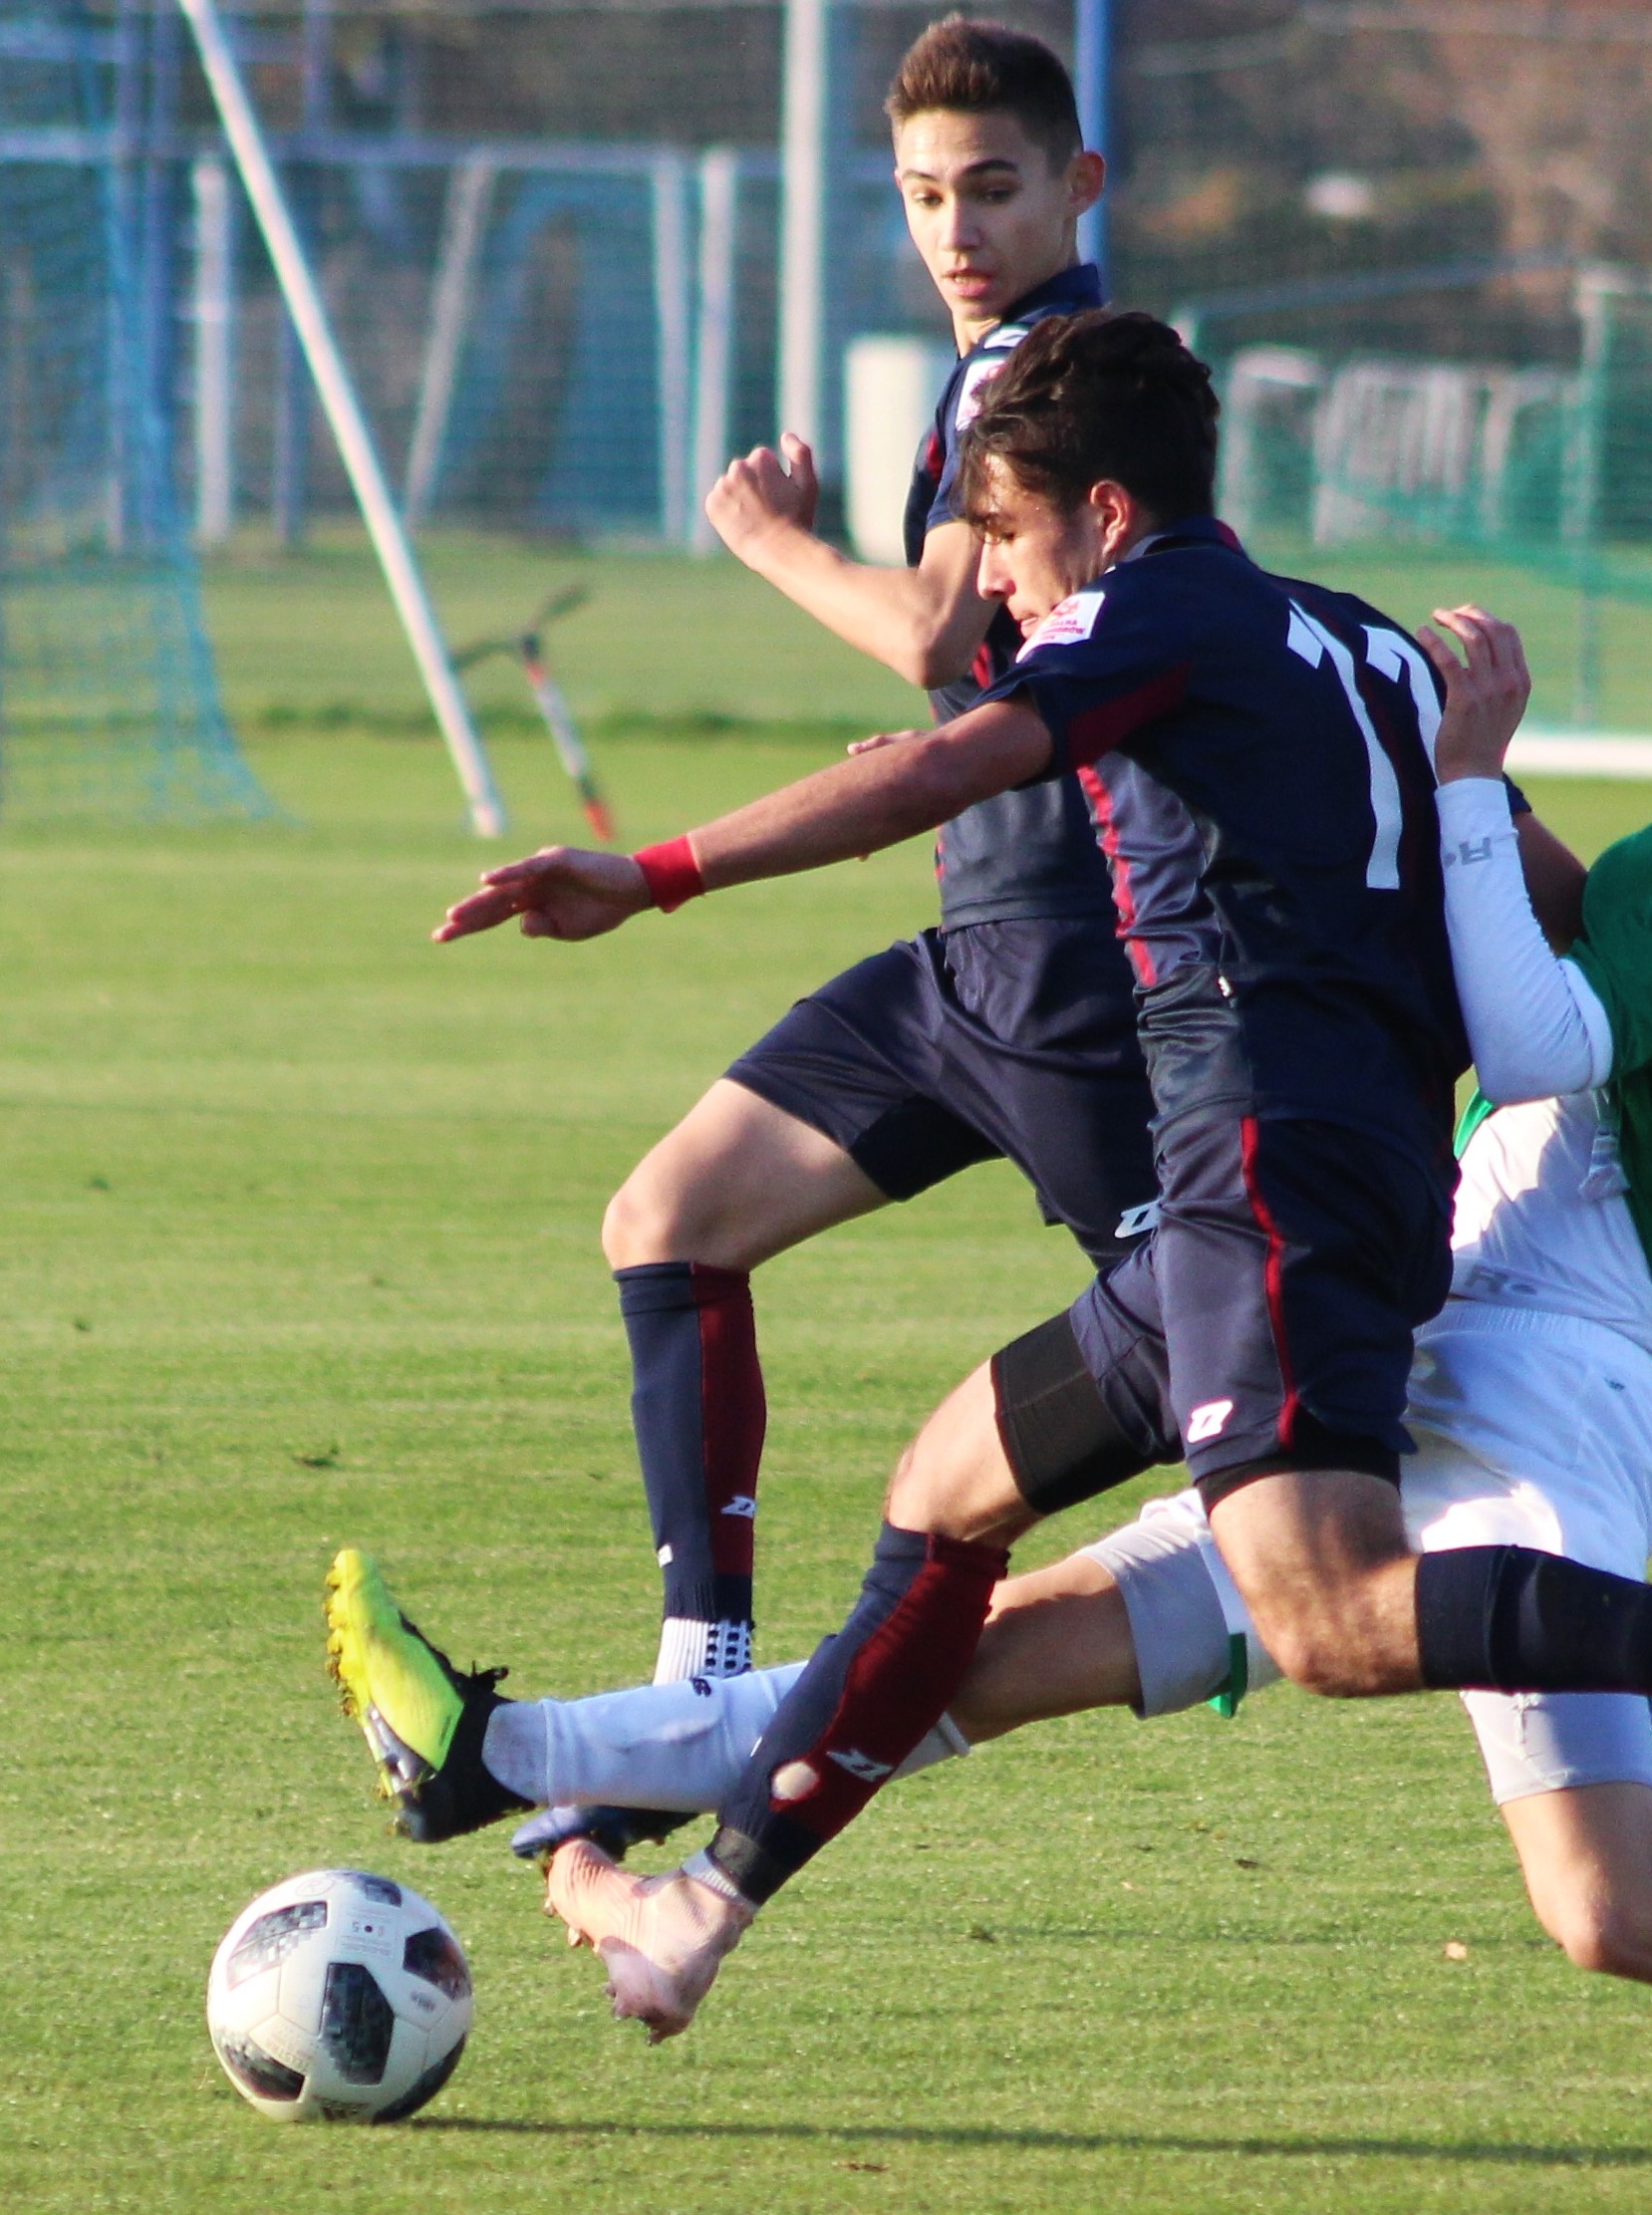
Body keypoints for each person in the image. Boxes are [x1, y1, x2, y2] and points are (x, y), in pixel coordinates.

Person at [335, 559, 1652, 2190]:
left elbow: (1546, 1039)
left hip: (1508, 1369)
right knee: (981, 1657)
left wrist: (1469, 789)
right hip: (1477, 1371)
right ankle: (594, 1809)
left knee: (1595, 1904)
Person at [346, 313, 1652, 2050]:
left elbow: (944, 760)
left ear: (1109, 515)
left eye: (1020, 551)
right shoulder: (1361, 644)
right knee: (941, 1501)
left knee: (1334, 1613)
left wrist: (653, 869)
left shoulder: (1158, 611)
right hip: (1273, 1199)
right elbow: (1568, 904)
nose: (1006, 607)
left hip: (1265, 1198)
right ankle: (691, 1909)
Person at [506, 22, 1142, 1857]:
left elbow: (943, 626)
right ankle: (704, 1675)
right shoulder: (1017, 361)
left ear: (1078, 187)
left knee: (1302, 1409)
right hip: (979, 944)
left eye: (995, 188)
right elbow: (1008, 665)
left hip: (1081, 972)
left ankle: (1622, 1646)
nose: (957, 229)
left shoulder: (1044, 359)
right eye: (926, 197)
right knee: (670, 1217)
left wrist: (765, 538)